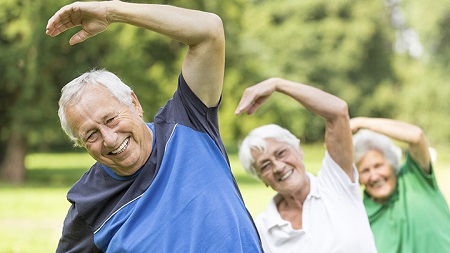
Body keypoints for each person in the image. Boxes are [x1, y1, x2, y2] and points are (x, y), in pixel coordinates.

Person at [46, 1, 263, 252]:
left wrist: (112, 11)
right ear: (81, 144)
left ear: (134, 103)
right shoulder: (88, 206)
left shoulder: (188, 120)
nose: (110, 139)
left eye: (111, 119)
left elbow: (209, 30)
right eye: (91, 135)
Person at [236, 78, 377, 253]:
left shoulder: (336, 183)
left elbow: (338, 111)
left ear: (299, 151)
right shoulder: (264, 229)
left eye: (281, 153)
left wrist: (277, 84)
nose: (279, 167)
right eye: (265, 166)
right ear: (262, 179)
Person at [351, 117, 450, 253]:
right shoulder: (361, 216)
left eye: (378, 166)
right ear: (358, 178)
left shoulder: (415, 177)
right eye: (365, 171)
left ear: (392, 163)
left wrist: (361, 123)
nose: (374, 176)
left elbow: (416, 136)